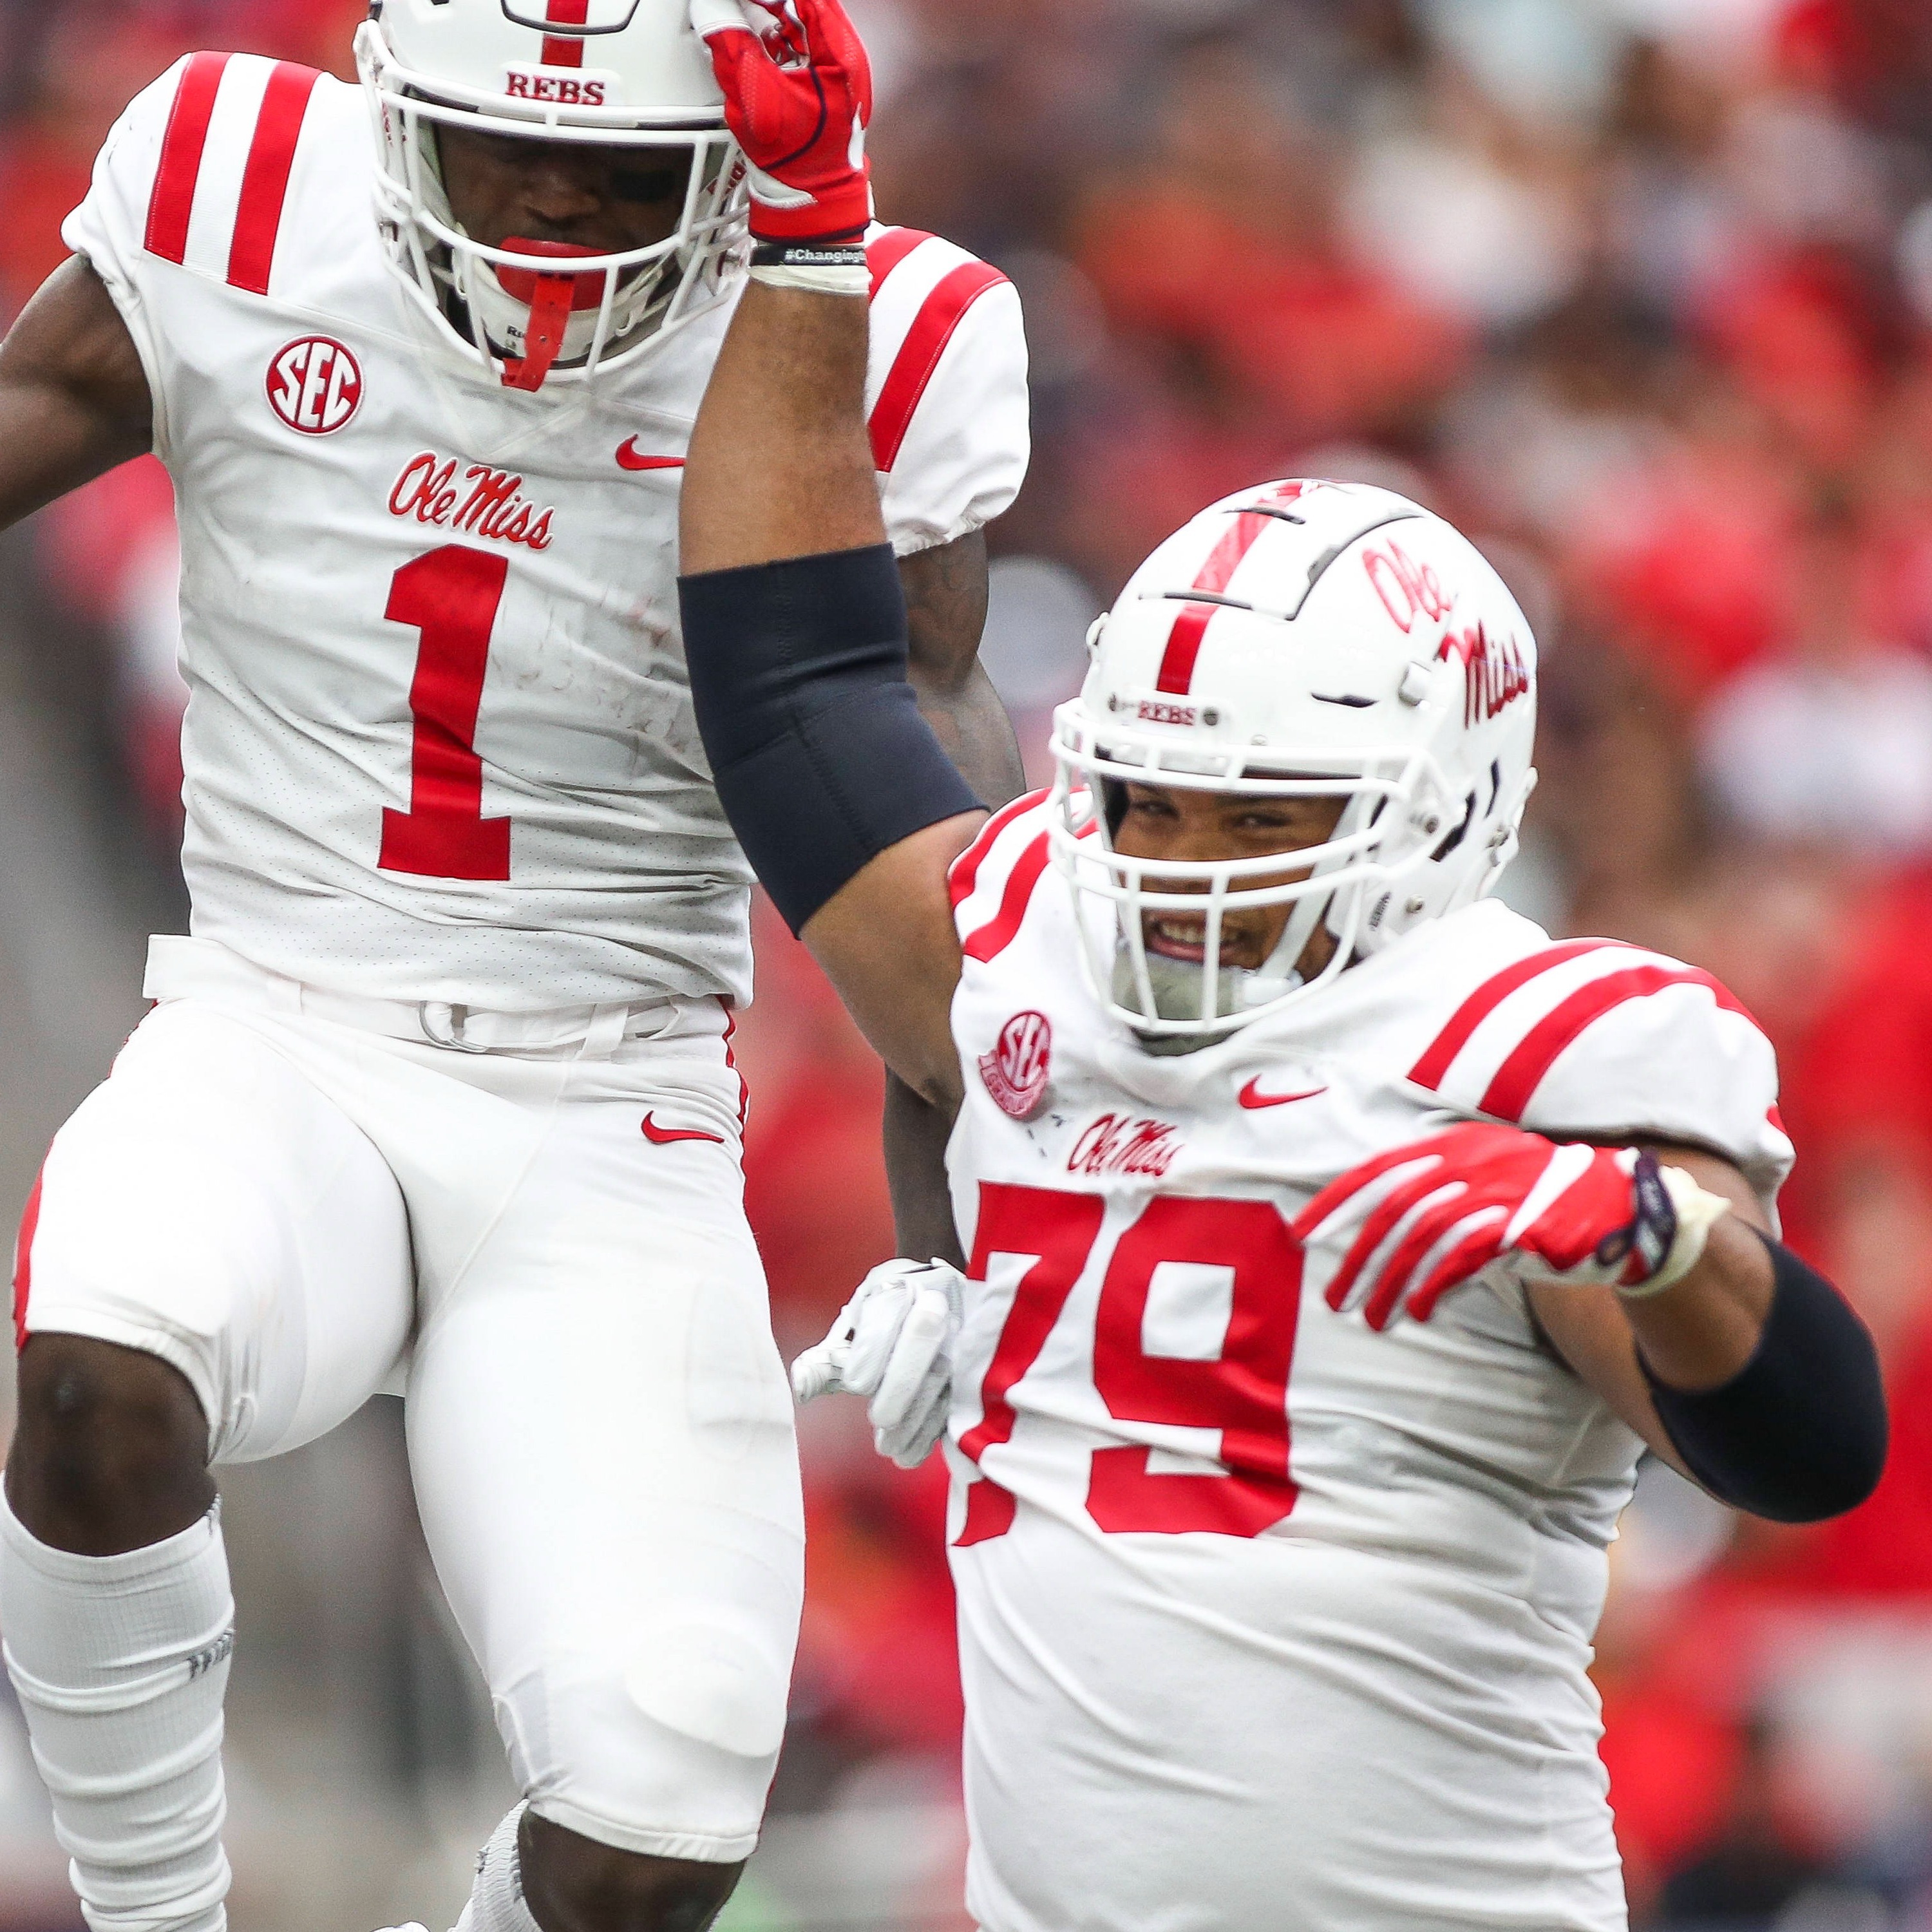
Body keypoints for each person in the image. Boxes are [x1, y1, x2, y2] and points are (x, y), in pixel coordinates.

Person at [669, 6, 1889, 1925]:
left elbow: (1810, 1448)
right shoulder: (1029, 944)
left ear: (1440, 804)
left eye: (1256, 818)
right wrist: (807, 235)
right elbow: (799, 695)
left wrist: (1654, 1232)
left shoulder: (1537, 1046)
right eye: (1147, 803)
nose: (1171, 868)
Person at [0, 1, 1027, 1927]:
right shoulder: (237, 189)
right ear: (394, 114)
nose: (551, 213)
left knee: (661, 1821)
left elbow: (924, 855)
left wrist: (952, 1234)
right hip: (274, 1022)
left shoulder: (867, 334)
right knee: (101, 1353)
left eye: (614, 168)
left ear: (735, 158)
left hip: (606, 1100)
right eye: (505, 154)